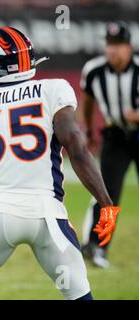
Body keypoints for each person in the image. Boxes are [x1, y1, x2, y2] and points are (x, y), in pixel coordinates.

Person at [0, 27, 120, 300]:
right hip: (47, 216)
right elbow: (77, 149)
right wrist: (106, 203)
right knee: (80, 297)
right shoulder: (53, 90)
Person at [79, 21, 139, 269]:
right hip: (114, 135)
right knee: (106, 195)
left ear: (129, 47)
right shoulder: (93, 71)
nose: (113, 50)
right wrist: (90, 132)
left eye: (118, 45)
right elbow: (88, 101)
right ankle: (97, 247)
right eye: (109, 45)